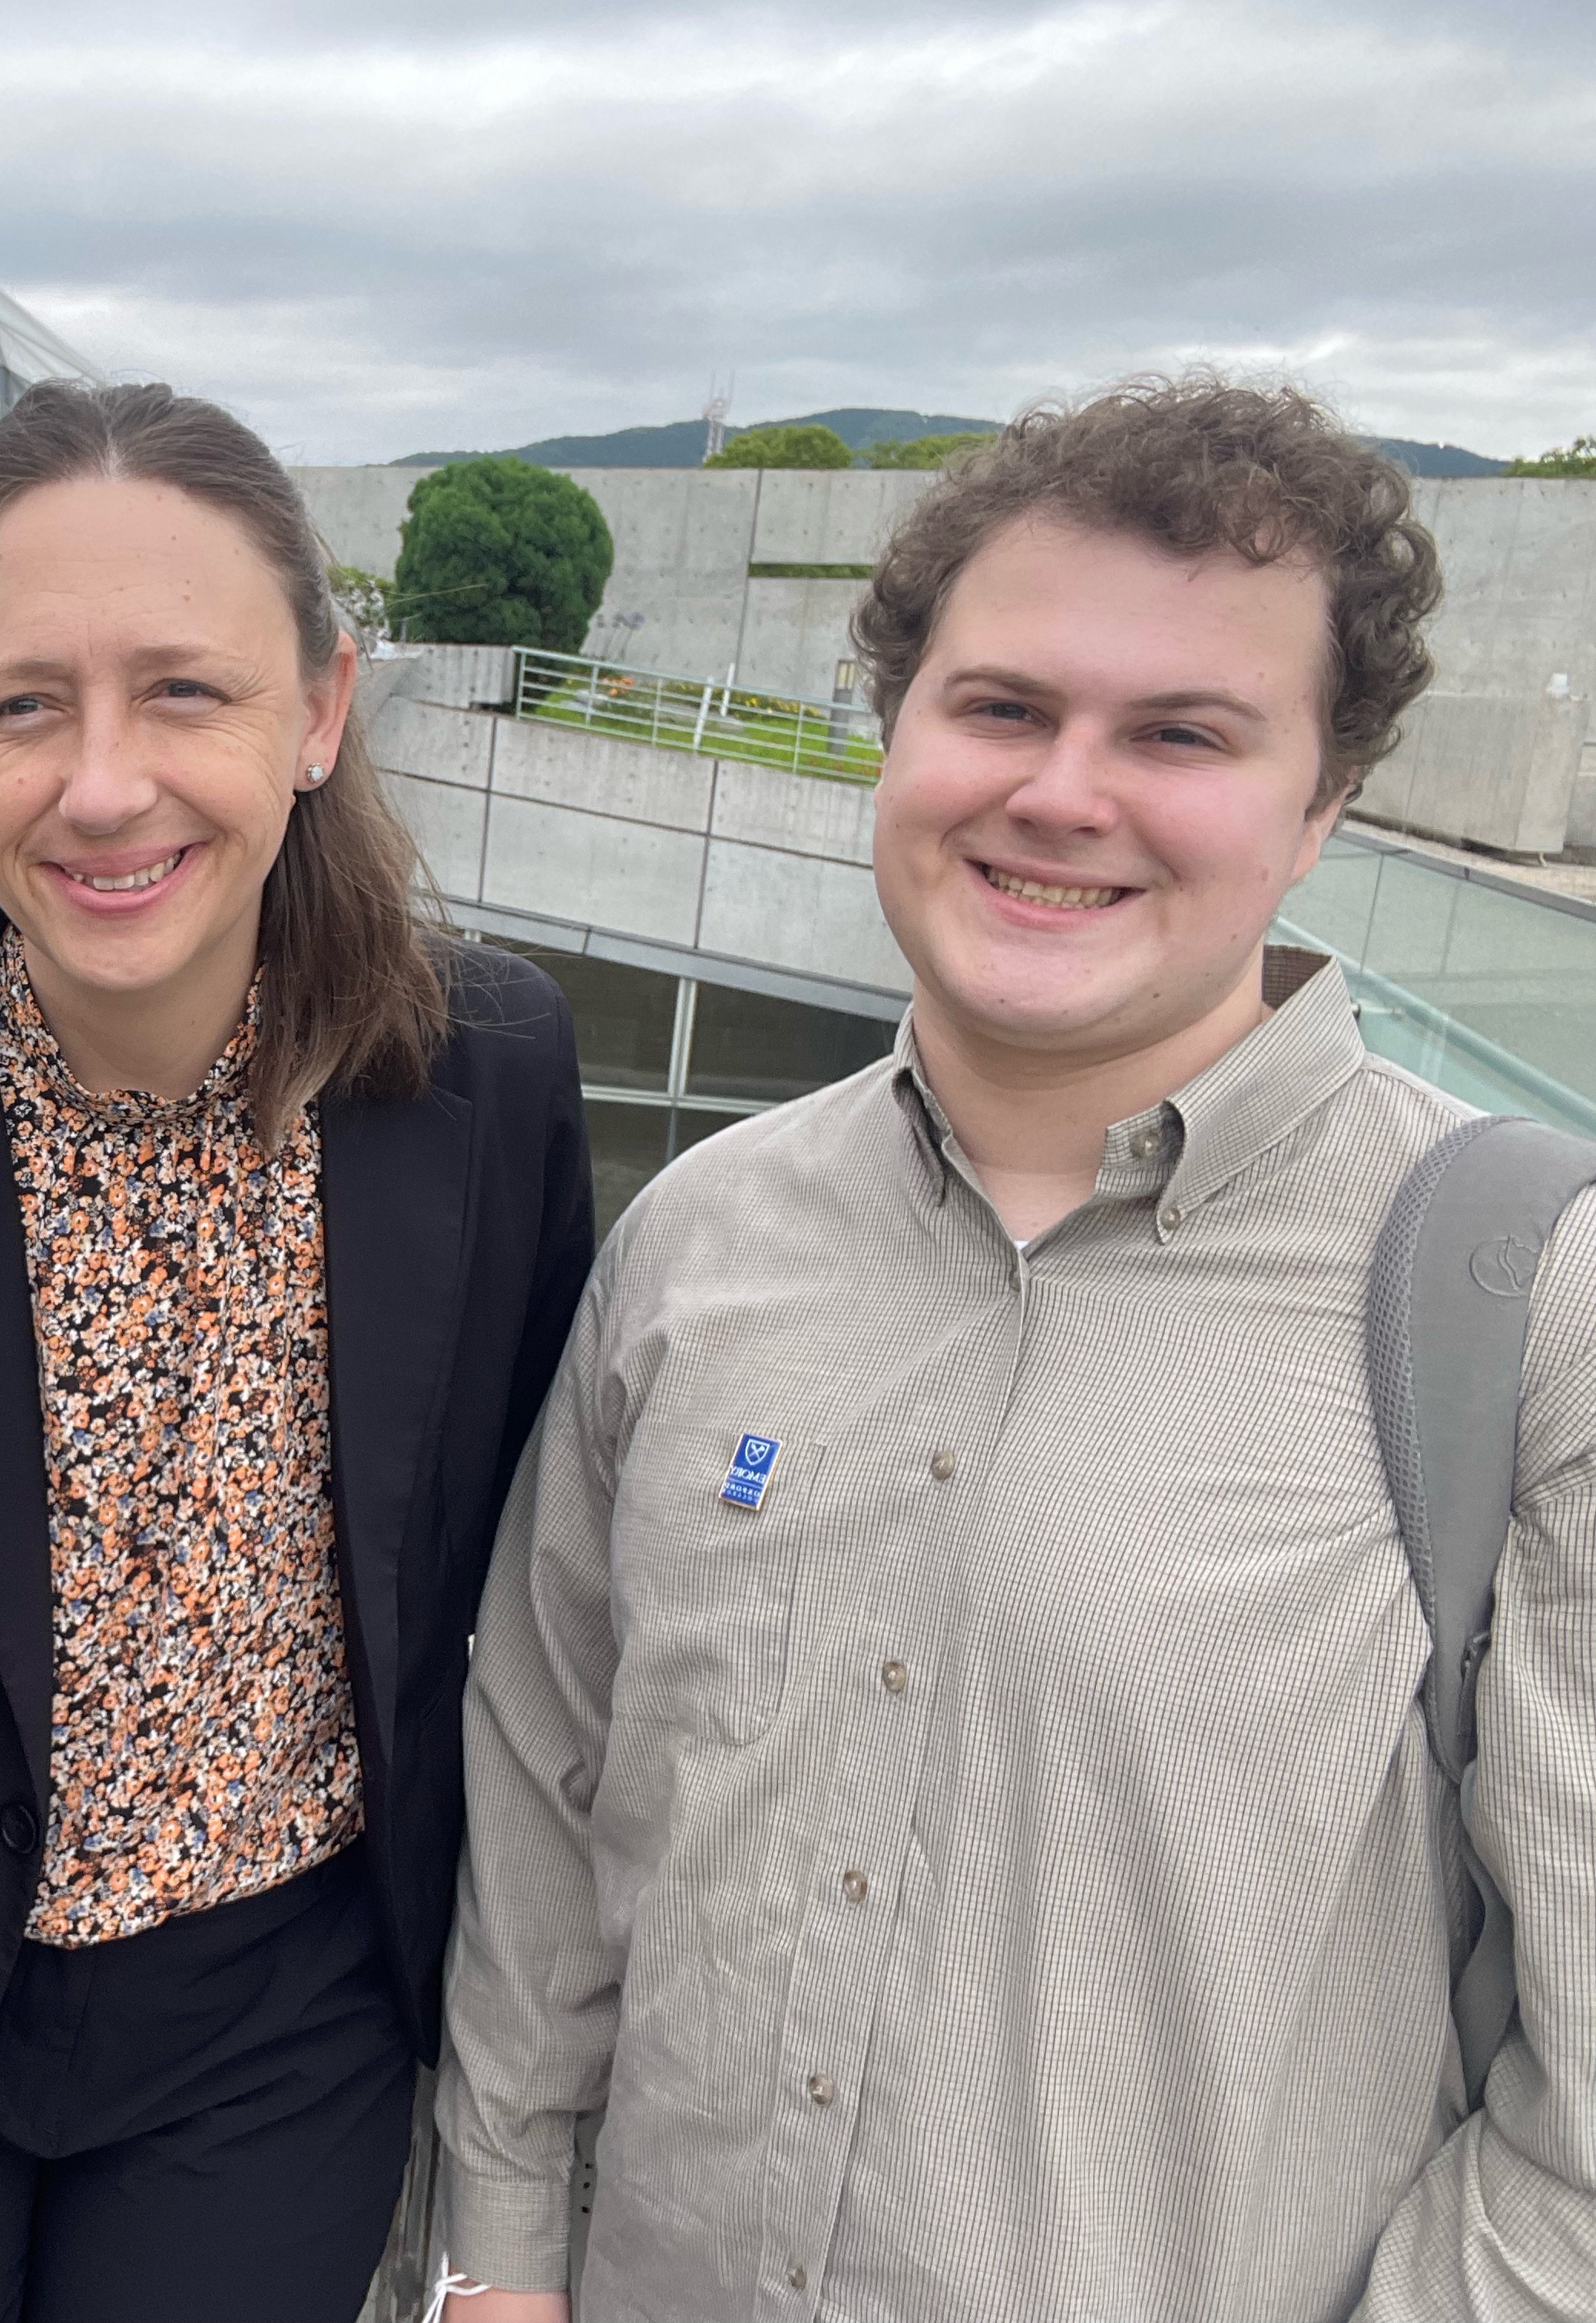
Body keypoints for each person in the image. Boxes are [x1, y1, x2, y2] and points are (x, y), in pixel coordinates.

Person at [436, 377, 1596, 2321]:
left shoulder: (1521, 1305)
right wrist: (497, 2260)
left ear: (1323, 805)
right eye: (1002, 707)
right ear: (892, 735)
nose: (1064, 793)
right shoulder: (694, 1246)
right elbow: (549, 1791)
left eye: (1181, 735)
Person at [0, 379, 596, 2322]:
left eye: (185, 692)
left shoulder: (485, 1077)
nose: (102, 786)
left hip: (283, 2027)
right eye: (24, 706)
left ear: (322, 710)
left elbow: (521, 1575)